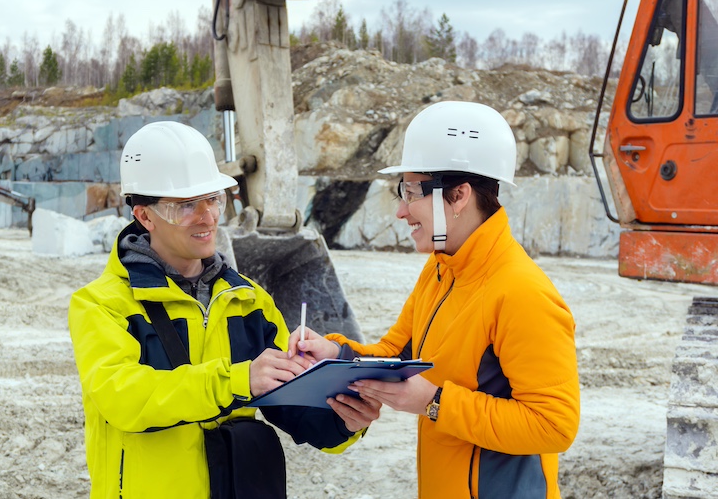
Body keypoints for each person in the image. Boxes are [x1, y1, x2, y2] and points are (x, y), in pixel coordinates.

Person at [68, 121, 380, 499]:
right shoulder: (102, 304)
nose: (208, 216)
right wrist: (237, 380)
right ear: (144, 215)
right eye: (185, 205)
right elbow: (125, 399)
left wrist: (345, 416)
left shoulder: (250, 302)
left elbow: (293, 404)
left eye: (213, 199)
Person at [290, 101, 580, 499]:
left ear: (459, 195)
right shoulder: (441, 269)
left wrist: (434, 402)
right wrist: (333, 354)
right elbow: (394, 353)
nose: (401, 211)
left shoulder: (522, 292)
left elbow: (554, 425)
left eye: (411, 192)